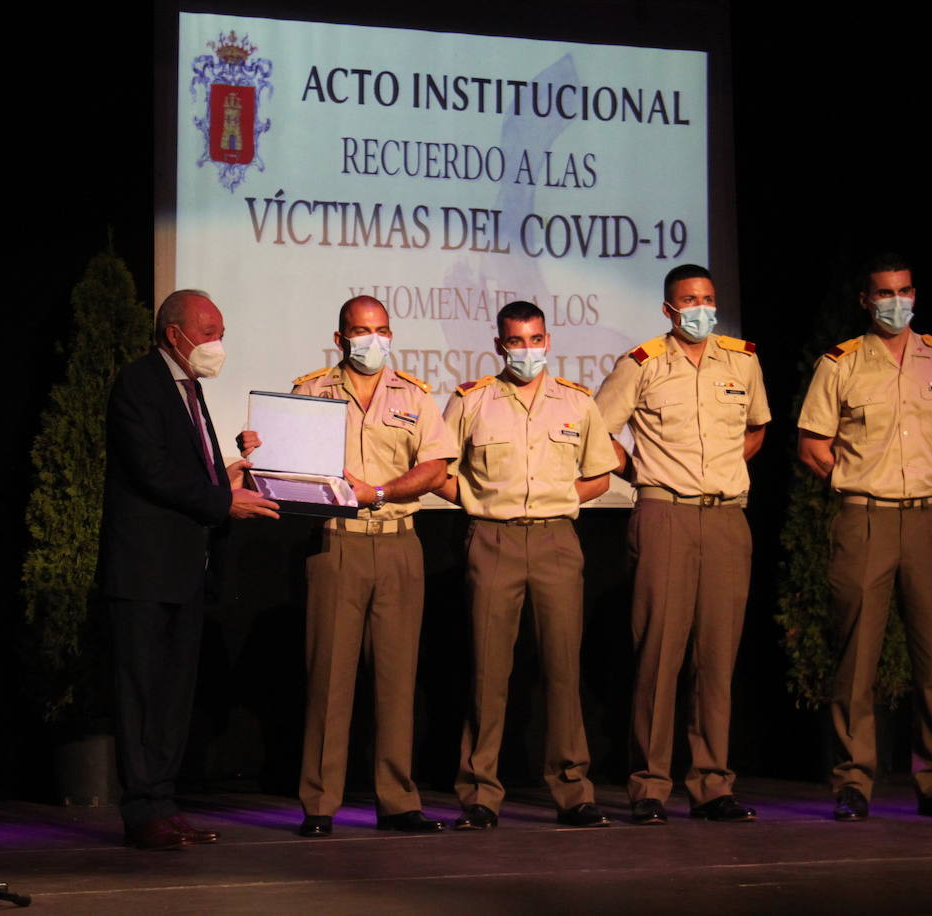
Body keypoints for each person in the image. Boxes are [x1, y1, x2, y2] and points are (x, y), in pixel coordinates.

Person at [246, 295, 456, 838]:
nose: (373, 340)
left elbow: (435, 466)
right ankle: (319, 804)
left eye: (382, 329)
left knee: (396, 679)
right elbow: (280, 468)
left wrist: (381, 490)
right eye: (362, 331)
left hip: (398, 543)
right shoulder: (311, 391)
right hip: (336, 543)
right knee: (329, 679)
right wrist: (257, 453)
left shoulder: (414, 393)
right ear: (340, 339)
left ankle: (398, 801)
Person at [797, 253, 932, 822]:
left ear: (915, 294)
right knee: (857, 658)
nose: (894, 301)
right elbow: (812, 446)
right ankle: (853, 783)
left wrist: (925, 479)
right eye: (883, 293)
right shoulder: (841, 364)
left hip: (928, 519)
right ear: (865, 301)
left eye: (902, 291)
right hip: (865, 519)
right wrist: (861, 481)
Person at [99, 289, 279, 851]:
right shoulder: (139, 383)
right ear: (174, 334)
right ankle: (140, 810)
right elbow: (151, 471)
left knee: (174, 697)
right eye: (208, 333)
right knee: (141, 694)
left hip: (182, 569)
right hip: (142, 570)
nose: (217, 345)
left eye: (221, 333)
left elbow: (187, 472)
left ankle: (164, 803)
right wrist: (222, 502)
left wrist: (230, 473)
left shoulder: (191, 389)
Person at [594, 264, 769, 826]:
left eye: (708, 299)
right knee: (660, 654)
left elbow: (757, 427)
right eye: (690, 300)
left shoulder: (742, 360)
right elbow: (596, 433)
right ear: (669, 309)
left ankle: (712, 785)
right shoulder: (642, 364)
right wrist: (641, 468)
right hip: (664, 513)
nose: (701, 308)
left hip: (725, 518)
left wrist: (720, 467)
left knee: (717, 658)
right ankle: (650, 786)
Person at [434, 301, 617, 830]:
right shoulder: (472, 401)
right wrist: (475, 502)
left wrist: (557, 498)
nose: (527, 350)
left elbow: (601, 475)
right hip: (493, 539)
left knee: (563, 668)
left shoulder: (578, 403)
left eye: (535, 339)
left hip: (558, 539)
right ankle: (479, 794)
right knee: (489, 671)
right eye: (516, 341)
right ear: (499, 345)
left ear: (549, 341)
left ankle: (573, 790)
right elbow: (439, 470)